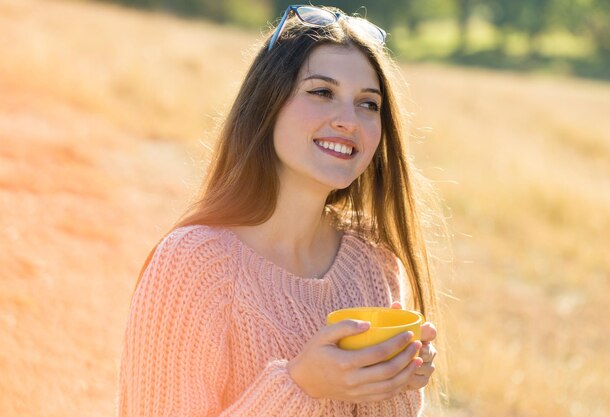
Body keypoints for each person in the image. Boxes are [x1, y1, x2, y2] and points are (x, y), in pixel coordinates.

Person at [117, 4, 445, 416]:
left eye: (368, 104)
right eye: (322, 92)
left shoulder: (374, 263)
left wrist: (397, 381)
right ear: (266, 105)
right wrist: (301, 387)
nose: (349, 120)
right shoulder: (190, 266)